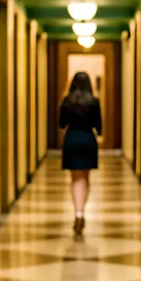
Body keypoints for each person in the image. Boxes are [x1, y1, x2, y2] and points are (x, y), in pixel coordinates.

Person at [59, 71, 102, 235]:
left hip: (71, 139)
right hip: (87, 139)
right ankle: (82, 210)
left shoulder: (66, 101)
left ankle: (78, 212)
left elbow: (62, 124)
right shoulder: (94, 101)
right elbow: (98, 126)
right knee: (86, 177)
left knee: (75, 178)